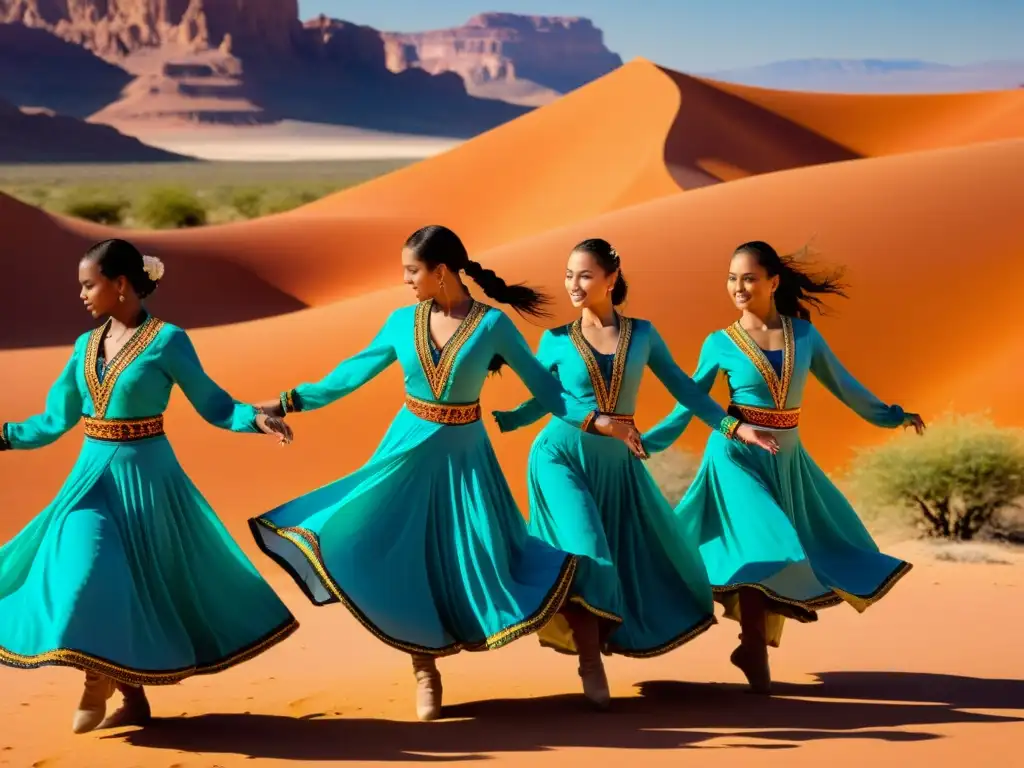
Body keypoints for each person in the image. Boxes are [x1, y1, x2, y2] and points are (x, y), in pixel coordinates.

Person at [249, 225, 645, 722]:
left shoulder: (493, 326)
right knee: (406, 560)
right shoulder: (400, 322)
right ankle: (425, 673)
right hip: (406, 455)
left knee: (509, 560)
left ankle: (589, 656)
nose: (407, 281)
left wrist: (598, 420)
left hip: (466, 462)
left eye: (412, 271)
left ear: (440, 273)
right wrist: (286, 402)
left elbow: (547, 389)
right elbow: (347, 375)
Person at [0, 239, 298, 734]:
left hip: (146, 482)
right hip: (89, 481)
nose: (81, 295)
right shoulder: (85, 345)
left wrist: (256, 420)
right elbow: (56, 419)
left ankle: (119, 690)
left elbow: (215, 405)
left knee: (127, 585)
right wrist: (4, 436)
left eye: (88, 284)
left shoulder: (168, 341)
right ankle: (100, 677)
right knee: (86, 574)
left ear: (120, 285)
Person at [490, 238, 778, 708]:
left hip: (617, 469)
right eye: (568, 275)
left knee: (650, 558)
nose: (574, 285)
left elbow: (688, 390)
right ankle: (590, 661)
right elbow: (544, 395)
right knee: (586, 552)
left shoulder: (643, 335)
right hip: (559, 459)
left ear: (611, 277)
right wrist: (507, 419)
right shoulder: (556, 340)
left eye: (584, 275)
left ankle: (613, 639)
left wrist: (734, 427)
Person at [642, 240, 925, 694]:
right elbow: (689, 403)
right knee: (764, 540)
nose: (738, 287)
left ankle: (754, 639)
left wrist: (891, 415)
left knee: (813, 540)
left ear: (773, 282)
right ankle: (754, 641)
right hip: (734, 456)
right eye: (732, 278)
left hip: (787, 458)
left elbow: (844, 385)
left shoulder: (805, 337)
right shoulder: (719, 343)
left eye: (749, 278)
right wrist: (645, 442)